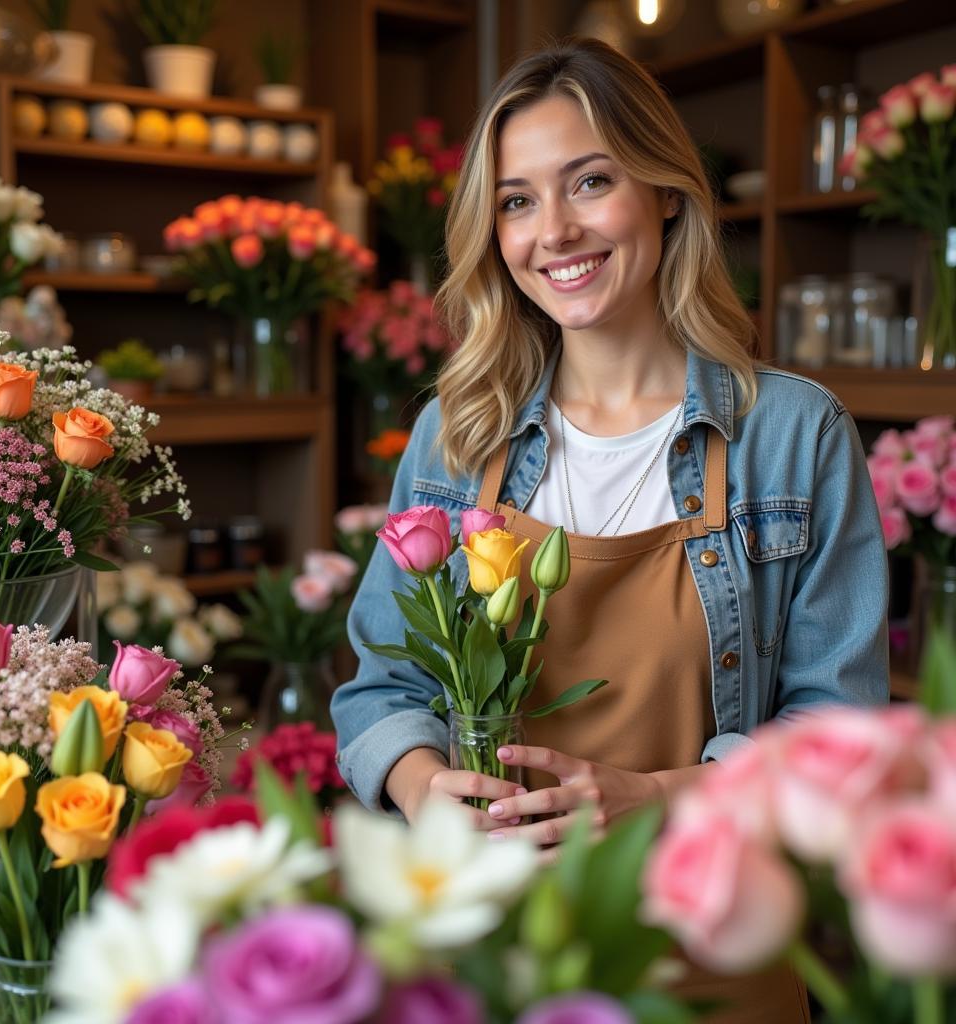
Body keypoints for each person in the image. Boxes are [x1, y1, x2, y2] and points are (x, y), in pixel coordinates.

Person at [332, 37, 888, 1021]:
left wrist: (657, 796)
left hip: (713, 954)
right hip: (496, 958)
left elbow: (835, 737)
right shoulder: (458, 433)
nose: (553, 230)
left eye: (589, 181)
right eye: (515, 200)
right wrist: (422, 787)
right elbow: (383, 682)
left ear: (665, 192)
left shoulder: (793, 435)